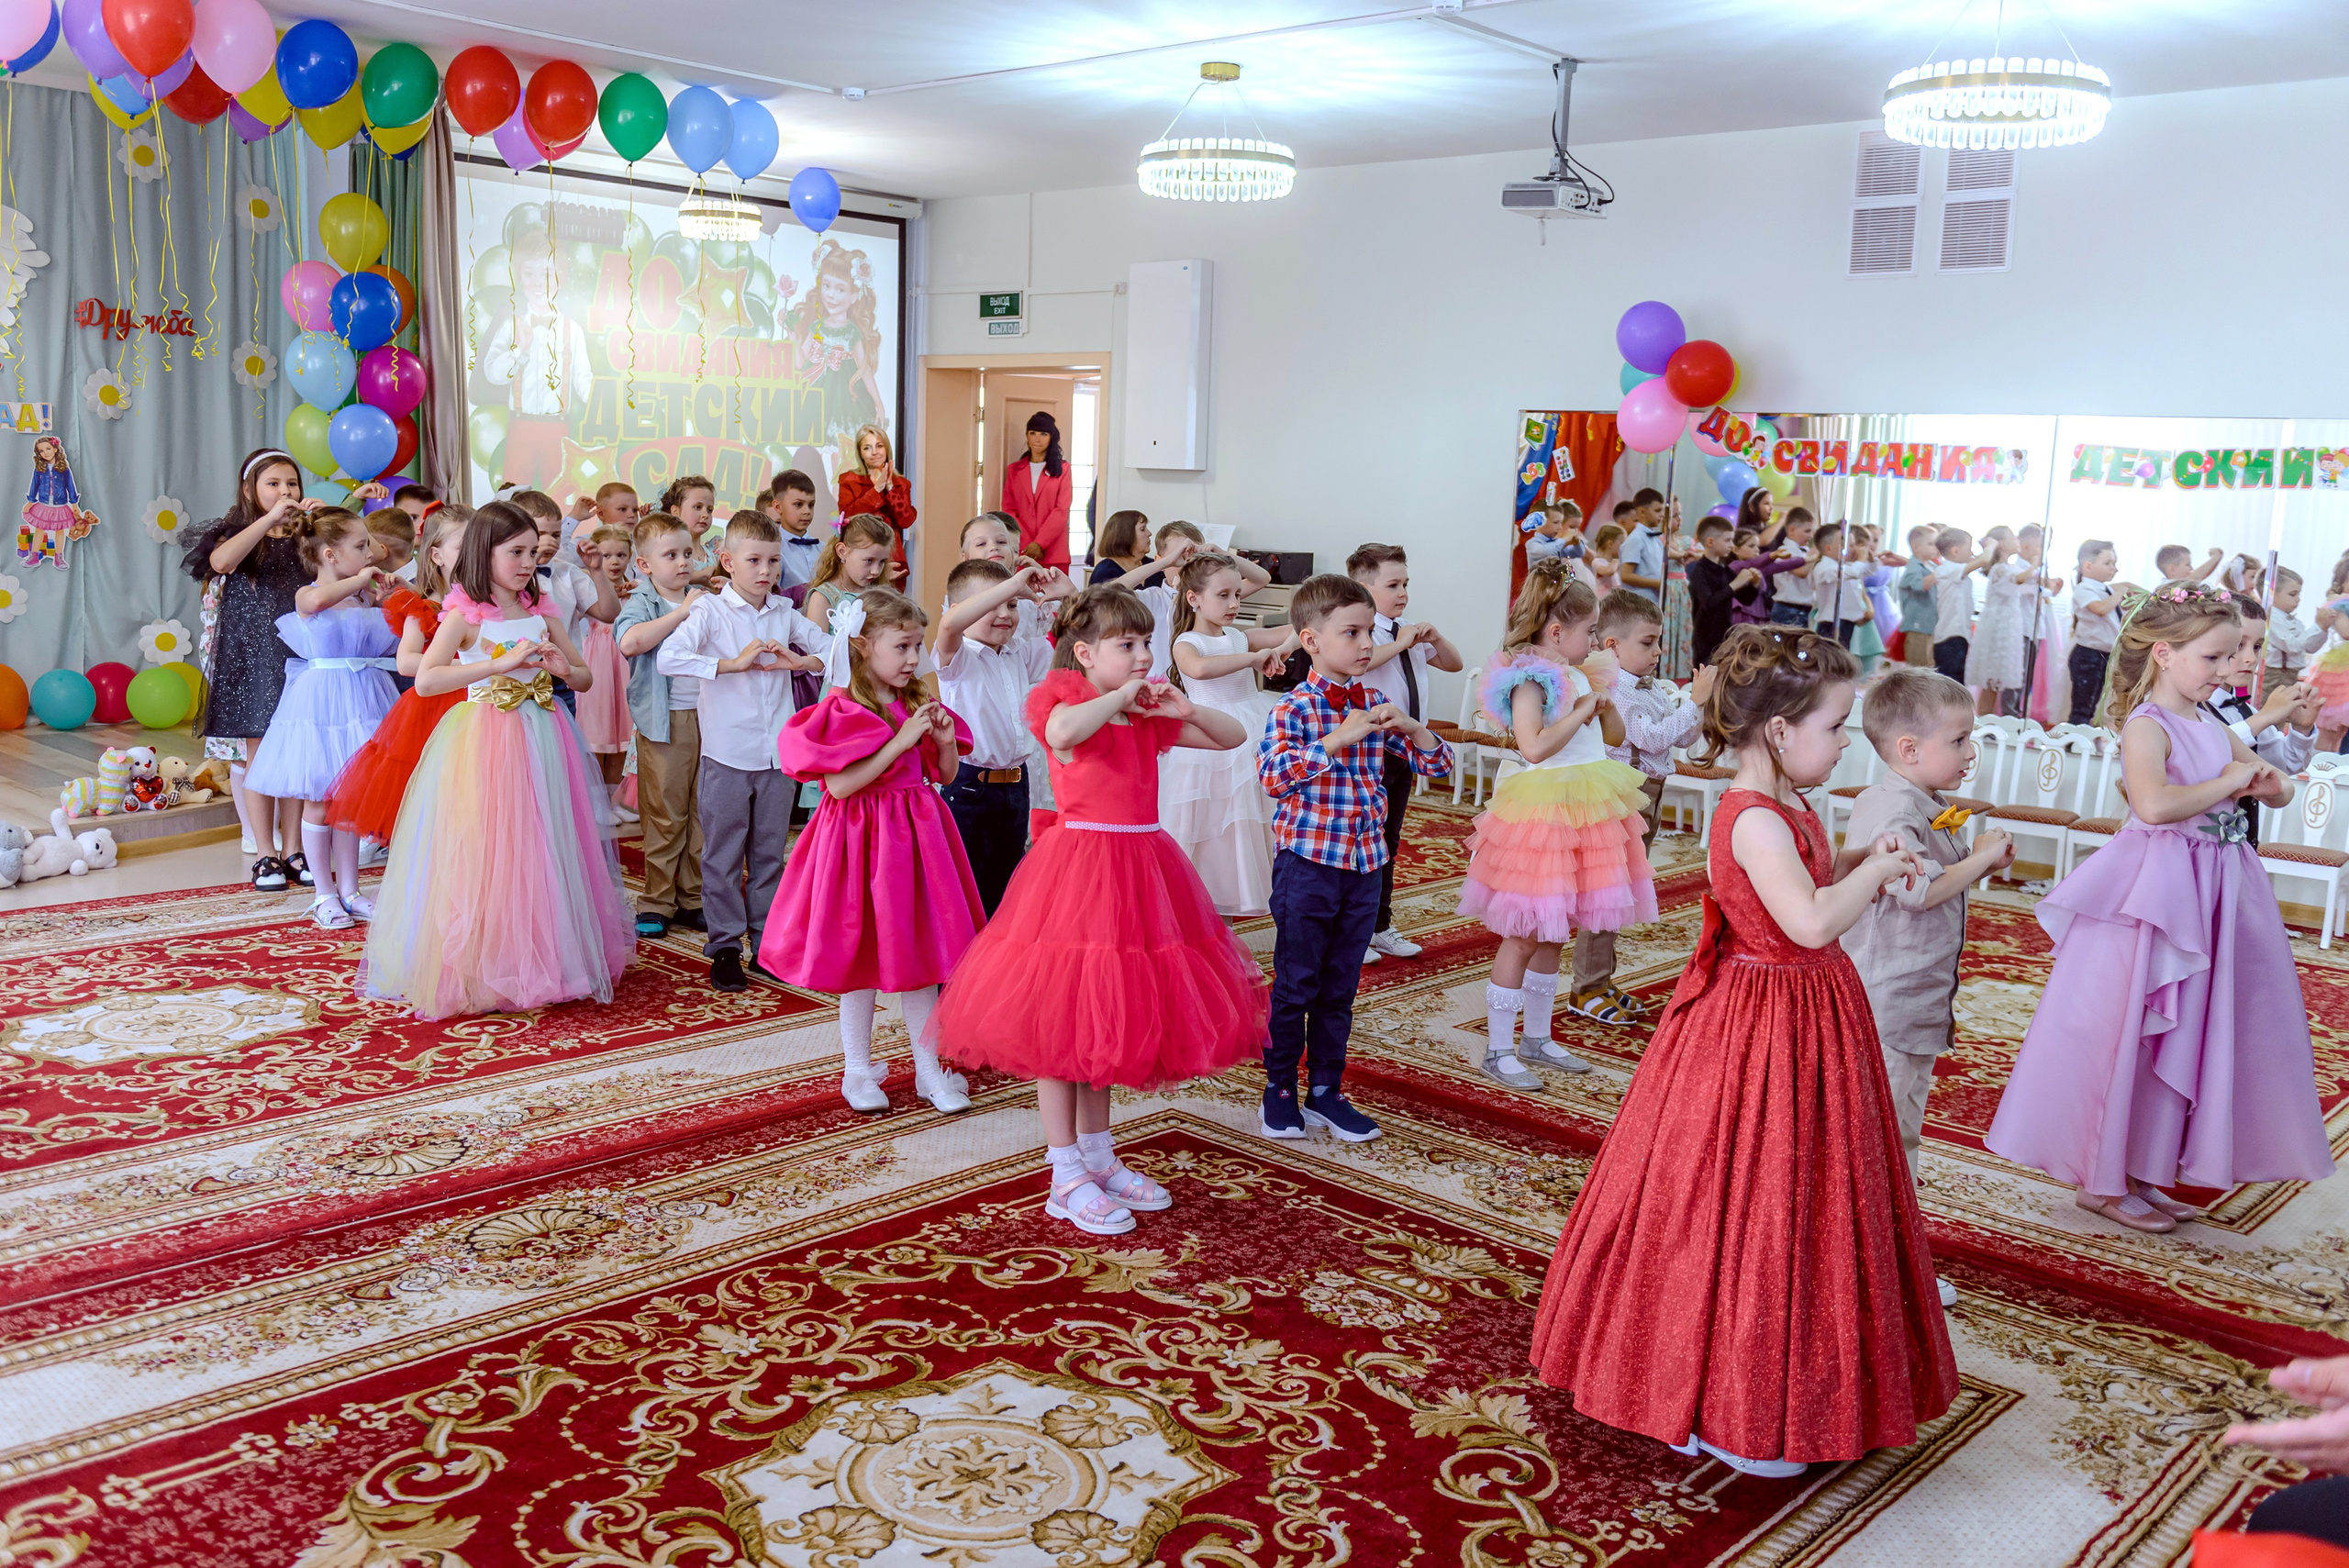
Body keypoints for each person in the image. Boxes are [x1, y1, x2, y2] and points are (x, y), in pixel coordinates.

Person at [1530, 623, 1958, 1478]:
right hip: (1757, 1016)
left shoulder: (1794, 805)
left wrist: (1860, 852)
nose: (1843, 744)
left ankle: (1787, 1387)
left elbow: (1808, 878)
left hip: (1805, 1009)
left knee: (1804, 1195)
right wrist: (1874, 873)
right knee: (1744, 1196)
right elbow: (1807, 920)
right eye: (1835, 728)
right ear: (1778, 731)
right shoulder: (1751, 816)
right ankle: (1723, 1400)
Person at [1986, 581, 2332, 1232]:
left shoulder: (2211, 722)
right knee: (2138, 1030)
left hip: (2220, 884)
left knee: (2193, 1028)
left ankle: (2144, 1168)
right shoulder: (2148, 724)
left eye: (2233, 656)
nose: (2228, 669)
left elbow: (2275, 786)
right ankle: (2103, 1178)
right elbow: (2153, 806)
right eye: (2214, 657)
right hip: (2163, 890)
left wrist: (2270, 781)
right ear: (2166, 654)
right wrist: (2229, 781)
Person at [933, 585, 1272, 1232]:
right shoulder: (1063, 698)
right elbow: (1062, 734)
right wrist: (1120, 698)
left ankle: (1098, 1153)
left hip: (1143, 870)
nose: (1144, 655)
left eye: (1146, 643)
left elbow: (1231, 738)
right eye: (1129, 645)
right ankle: (1064, 1172)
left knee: (1107, 1019)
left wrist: (1179, 703)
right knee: (1063, 1024)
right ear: (1085, 654)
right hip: (1079, 870)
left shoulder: (1144, 715)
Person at [361, 500, 634, 1018]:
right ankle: (483, 963)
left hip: (544, 733)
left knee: (544, 839)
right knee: (490, 846)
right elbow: (427, 679)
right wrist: (495, 664)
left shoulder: (540, 610)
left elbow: (584, 677)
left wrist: (561, 668)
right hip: (486, 735)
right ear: (485, 553)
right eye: (517, 551)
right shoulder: (462, 615)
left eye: (533, 551)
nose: (529, 561)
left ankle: (546, 957)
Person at [763, 587, 984, 1115]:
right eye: (902, 647)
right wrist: (901, 741)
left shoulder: (913, 703)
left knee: (920, 954)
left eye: (917, 647)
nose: (914, 659)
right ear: (863, 645)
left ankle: (929, 1070)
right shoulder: (842, 706)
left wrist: (945, 741)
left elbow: (943, 775)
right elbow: (840, 788)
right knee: (858, 956)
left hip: (916, 839)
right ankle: (858, 1070)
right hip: (858, 842)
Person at [1841, 669, 2017, 1307]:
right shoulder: (1890, 805)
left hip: (1910, 995)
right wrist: (1978, 859)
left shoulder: (1916, 800)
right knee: (1890, 1136)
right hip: (1890, 999)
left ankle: (1880, 1258)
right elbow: (1915, 890)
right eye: (1962, 739)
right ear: (1909, 749)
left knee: (1891, 1131)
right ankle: (1884, 1269)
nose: (1972, 753)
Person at [1258, 573, 1453, 1141]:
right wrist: (1335, 741)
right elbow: (1273, 777)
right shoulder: (1293, 709)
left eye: (1370, 631)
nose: (1367, 643)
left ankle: (1326, 1090)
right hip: (1308, 866)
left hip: (1365, 867)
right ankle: (1279, 1089)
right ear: (1312, 640)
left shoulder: (1376, 703)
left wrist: (1415, 729)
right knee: (1297, 982)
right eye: (1352, 632)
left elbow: (1438, 768)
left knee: (1341, 985)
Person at [1457, 565, 1650, 1089]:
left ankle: (1536, 1038)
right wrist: (1582, 707)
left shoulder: (1587, 675)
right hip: (1542, 811)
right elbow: (1534, 747)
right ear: (1557, 631)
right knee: (1522, 934)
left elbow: (1613, 735)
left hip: (1586, 807)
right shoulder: (1530, 678)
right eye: (1588, 631)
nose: (1595, 641)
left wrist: (1602, 707)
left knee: (1554, 932)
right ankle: (1498, 1048)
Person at [657, 511, 831, 993]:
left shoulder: (784, 612)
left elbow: (836, 650)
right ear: (727, 561)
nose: (765, 570)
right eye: (754, 560)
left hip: (778, 755)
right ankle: (726, 948)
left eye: (773, 561)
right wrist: (730, 665)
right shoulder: (709, 611)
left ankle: (766, 945)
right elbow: (670, 657)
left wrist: (801, 662)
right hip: (727, 754)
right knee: (722, 855)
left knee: (770, 855)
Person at [242, 508, 400, 930]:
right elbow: (315, 602)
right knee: (319, 800)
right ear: (330, 555)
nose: (370, 554)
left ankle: (351, 890)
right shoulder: (308, 594)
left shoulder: (363, 595)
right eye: (361, 546)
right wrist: (363, 580)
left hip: (363, 700)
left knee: (351, 800)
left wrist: (390, 591)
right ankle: (324, 894)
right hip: (321, 706)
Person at [1566, 591, 1709, 1028]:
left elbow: (1681, 739)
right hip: (1624, 793)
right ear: (1612, 646)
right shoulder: (1614, 689)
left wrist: (1695, 707)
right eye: (1648, 643)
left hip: (1650, 791)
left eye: (1659, 641)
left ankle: (1600, 979)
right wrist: (1694, 702)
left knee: (1624, 888)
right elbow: (1651, 738)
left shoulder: (1647, 687)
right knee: (1606, 892)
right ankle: (1585, 987)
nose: (1659, 651)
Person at [187, 449, 323, 892]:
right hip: (253, 657)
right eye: (274, 484)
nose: (285, 492)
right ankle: (264, 853)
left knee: (299, 754)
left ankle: (294, 849)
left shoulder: (308, 533)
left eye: (292, 484)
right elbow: (221, 564)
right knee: (260, 756)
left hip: (299, 652)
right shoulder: (239, 534)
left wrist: (335, 515)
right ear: (250, 490)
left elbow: (365, 555)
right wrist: (269, 520)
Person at [325, 506, 471, 850]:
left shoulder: (491, 602)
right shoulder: (421, 605)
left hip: (481, 703)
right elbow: (406, 662)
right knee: (434, 793)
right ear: (435, 554)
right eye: (464, 546)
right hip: (435, 709)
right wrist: (474, 663)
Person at [933, 557, 1072, 912]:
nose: (1006, 614)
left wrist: (1068, 594)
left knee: (1006, 884)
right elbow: (949, 625)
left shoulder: (1019, 653)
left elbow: (1072, 638)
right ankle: (960, 963)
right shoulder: (959, 658)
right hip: (968, 788)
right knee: (966, 887)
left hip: (1015, 787)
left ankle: (992, 962)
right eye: (993, 604)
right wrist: (1011, 585)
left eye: (1012, 605)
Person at [1163, 550, 1294, 917]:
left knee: (1250, 820)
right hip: (1209, 738)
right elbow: (1200, 670)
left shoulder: (1238, 636)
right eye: (1223, 595)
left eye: (1237, 594)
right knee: (1212, 825)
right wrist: (1254, 658)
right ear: (1194, 598)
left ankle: (1239, 907)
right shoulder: (1187, 642)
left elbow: (1288, 627)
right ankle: (1204, 909)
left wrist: (1223, 556)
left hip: (1254, 728)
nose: (1234, 603)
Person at [1351, 543, 1462, 960]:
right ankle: (1355, 929)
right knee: (1364, 838)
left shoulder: (1407, 629)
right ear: (1363, 587)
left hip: (1405, 748)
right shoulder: (1364, 633)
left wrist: (1434, 638)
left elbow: (1452, 663)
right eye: (1393, 585)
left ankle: (1379, 924)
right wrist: (1402, 641)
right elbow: (1363, 664)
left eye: (1406, 585)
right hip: (1370, 749)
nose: (1403, 594)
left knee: (1389, 840)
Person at [614, 513, 707, 941]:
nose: (683, 562)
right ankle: (657, 899)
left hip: (709, 716)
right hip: (665, 720)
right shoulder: (644, 603)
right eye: (671, 555)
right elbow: (630, 642)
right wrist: (683, 614)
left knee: (701, 812)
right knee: (666, 814)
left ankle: (694, 897)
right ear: (645, 564)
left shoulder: (701, 597)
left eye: (687, 553)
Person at [480, 236, 592, 492]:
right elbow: (493, 373)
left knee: (560, 493)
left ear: (560, 278)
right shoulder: (512, 325)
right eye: (529, 274)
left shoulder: (572, 330)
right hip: (521, 426)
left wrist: (604, 404)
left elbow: (583, 379)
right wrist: (519, 349)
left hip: (558, 429)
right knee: (514, 495)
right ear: (520, 277)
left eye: (547, 274)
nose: (537, 283)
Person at [573, 522, 637, 817]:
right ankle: (595, 804)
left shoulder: (637, 586)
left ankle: (615, 801)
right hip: (597, 665)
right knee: (597, 735)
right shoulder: (586, 583)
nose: (614, 562)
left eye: (621, 555)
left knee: (621, 735)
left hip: (624, 666)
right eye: (608, 555)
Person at [805, 513, 898, 642]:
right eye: (868, 560)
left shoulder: (881, 594)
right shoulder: (823, 598)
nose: (876, 571)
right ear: (842, 551)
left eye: (882, 562)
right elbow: (816, 655)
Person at [836, 423, 916, 573]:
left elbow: (906, 520)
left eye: (879, 446)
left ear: (886, 449)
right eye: (867, 447)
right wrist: (876, 490)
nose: (874, 452)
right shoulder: (849, 479)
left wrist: (890, 488)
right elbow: (847, 517)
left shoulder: (901, 483)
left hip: (892, 559)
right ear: (860, 453)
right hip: (859, 558)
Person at [1002, 410, 1073, 569]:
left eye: (1043, 434)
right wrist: (1029, 545)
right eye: (1033, 433)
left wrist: (1039, 543)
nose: (1037, 439)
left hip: (1054, 553)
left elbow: (1061, 510)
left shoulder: (1063, 469)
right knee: (1022, 593)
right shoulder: (1014, 470)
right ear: (1027, 435)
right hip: (1024, 552)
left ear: (1051, 437)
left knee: (1055, 594)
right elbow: (1009, 510)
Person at [2068, 539, 2128, 724]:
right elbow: (2100, 609)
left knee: (2093, 703)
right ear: (2088, 566)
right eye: (2108, 563)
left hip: (2103, 655)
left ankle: (2082, 741)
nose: (2114, 569)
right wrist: (2119, 594)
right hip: (2088, 655)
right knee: (2082, 706)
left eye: (2114, 564)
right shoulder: (2084, 588)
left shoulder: (2105, 588)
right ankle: (2075, 744)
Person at [1684, 517, 1751, 669]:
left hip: (1724, 633)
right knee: (1706, 673)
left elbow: (1747, 599)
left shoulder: (1724, 569)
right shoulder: (1700, 570)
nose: (1732, 545)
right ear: (1710, 542)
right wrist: (1735, 584)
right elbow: (1709, 603)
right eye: (1727, 540)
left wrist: (1753, 584)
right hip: (1705, 636)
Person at [2265, 568, 2326, 702]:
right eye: (2293, 594)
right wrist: (2318, 626)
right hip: (2276, 675)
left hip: (2290, 674)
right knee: (2274, 709)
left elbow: (2309, 647)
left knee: (2284, 710)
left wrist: (2323, 628)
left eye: (2299, 594)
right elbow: (2291, 645)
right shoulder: (2272, 617)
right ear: (2272, 595)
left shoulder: (2293, 620)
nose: (2298, 599)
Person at [1931, 528, 1980, 684]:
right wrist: (1990, 546)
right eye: (1969, 548)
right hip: (1950, 635)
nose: (1972, 553)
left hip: (1959, 634)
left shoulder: (1955, 570)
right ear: (1955, 551)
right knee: (1949, 683)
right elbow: (1982, 561)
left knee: (1958, 679)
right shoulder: (1948, 569)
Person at [770, 469, 826, 591]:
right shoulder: (774, 550)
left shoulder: (824, 549)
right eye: (798, 504)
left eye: (811, 505)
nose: (807, 511)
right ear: (778, 507)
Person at [1896, 527, 1943, 667]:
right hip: (1918, 626)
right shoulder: (1914, 567)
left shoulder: (1931, 565)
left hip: (1930, 624)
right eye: (1931, 544)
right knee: (1918, 664)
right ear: (1916, 547)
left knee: (1929, 663)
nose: (1935, 548)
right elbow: (1920, 586)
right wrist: (1937, 575)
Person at [1765, 506, 1819, 627]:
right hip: (1787, 609)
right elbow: (1801, 572)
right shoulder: (1784, 551)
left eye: (1812, 531)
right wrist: (1815, 553)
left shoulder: (1805, 551)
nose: (1811, 536)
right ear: (1791, 530)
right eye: (1807, 531)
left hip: (1804, 609)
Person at [1618, 489, 1667, 606]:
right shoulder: (1636, 539)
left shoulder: (1656, 539)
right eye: (1657, 510)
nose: (1662, 515)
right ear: (1642, 512)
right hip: (1638, 603)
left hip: (1653, 602)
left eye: (1662, 510)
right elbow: (1626, 575)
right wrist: (1656, 583)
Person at [1087, 509, 1153, 585]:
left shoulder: (1153, 564)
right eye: (1142, 529)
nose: (1149, 533)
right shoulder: (1105, 572)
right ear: (1126, 535)